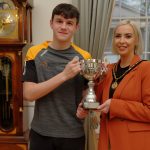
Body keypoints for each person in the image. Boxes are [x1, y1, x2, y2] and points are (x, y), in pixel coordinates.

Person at [23, 3, 91, 150]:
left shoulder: (84, 57)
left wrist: (86, 105)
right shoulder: (35, 53)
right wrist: (64, 75)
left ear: (76, 27)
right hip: (41, 133)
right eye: (59, 21)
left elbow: (87, 91)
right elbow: (28, 94)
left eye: (69, 23)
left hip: (73, 134)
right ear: (51, 23)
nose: (64, 26)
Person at [94, 20, 150, 150]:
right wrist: (96, 81)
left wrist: (115, 105)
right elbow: (97, 103)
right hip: (107, 139)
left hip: (134, 143)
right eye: (118, 36)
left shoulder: (146, 68)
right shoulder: (107, 69)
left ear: (136, 41)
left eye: (128, 36)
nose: (122, 41)